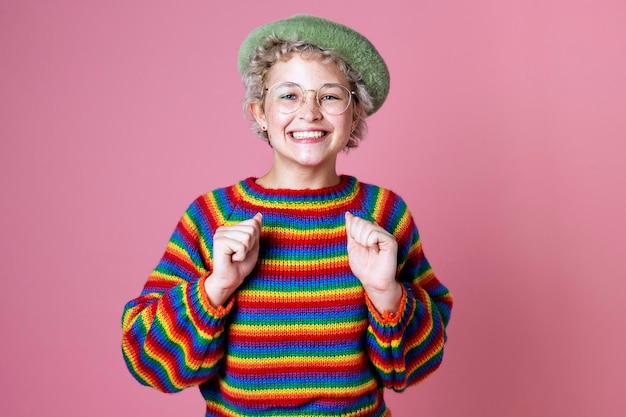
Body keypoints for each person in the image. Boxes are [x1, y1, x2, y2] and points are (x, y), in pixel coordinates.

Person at [121, 14, 453, 417]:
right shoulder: (214, 215)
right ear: (260, 112)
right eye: (289, 95)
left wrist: (387, 293)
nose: (309, 112)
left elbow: (414, 366)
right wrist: (216, 288)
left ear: (354, 115)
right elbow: (146, 360)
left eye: (330, 96)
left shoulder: (384, 214)